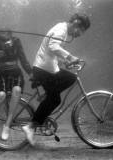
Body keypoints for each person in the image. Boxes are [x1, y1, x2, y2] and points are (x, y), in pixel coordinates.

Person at [22, 13, 91, 145]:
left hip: (48, 68)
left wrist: (64, 62)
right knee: (55, 99)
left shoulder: (63, 31)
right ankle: (30, 126)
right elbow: (53, 47)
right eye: (81, 30)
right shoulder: (61, 29)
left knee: (69, 79)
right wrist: (70, 57)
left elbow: (53, 51)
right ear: (76, 23)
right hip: (43, 69)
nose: (80, 34)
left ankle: (46, 97)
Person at [0, 28, 32, 145]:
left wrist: (31, 73)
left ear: (10, 33)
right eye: (2, 32)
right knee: (1, 95)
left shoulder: (16, 41)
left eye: (7, 32)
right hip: (2, 73)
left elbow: (23, 58)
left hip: (16, 73)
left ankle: (7, 125)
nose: (5, 35)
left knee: (17, 90)